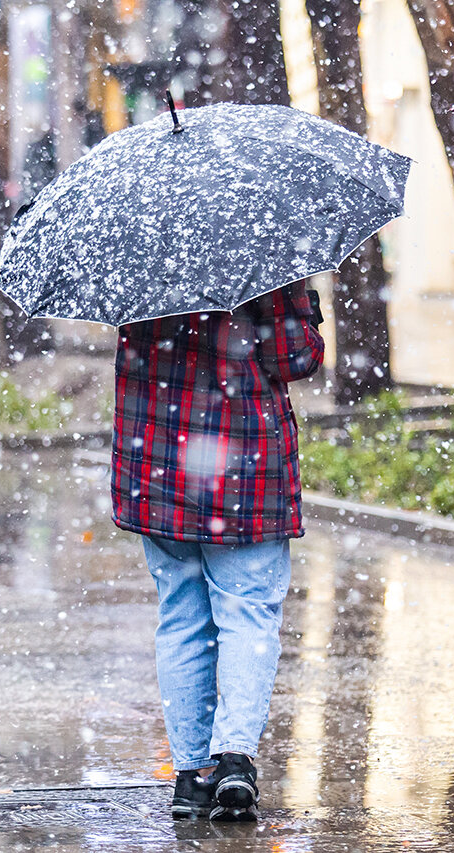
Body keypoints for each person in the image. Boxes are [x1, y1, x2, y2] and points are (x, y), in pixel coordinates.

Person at [111, 282, 325, 821]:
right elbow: (295, 357)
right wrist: (303, 306)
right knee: (248, 613)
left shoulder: (137, 246)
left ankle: (191, 776)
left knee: (181, 615)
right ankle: (234, 760)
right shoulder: (264, 248)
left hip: (156, 456)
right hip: (242, 459)